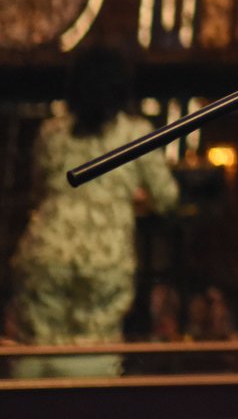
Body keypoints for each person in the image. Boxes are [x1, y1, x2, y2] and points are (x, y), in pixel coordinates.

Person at [5, 44, 180, 378]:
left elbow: (39, 192)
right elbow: (167, 197)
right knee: (95, 353)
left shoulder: (51, 132)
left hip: (46, 251)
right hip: (105, 258)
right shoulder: (135, 134)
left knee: (38, 350)